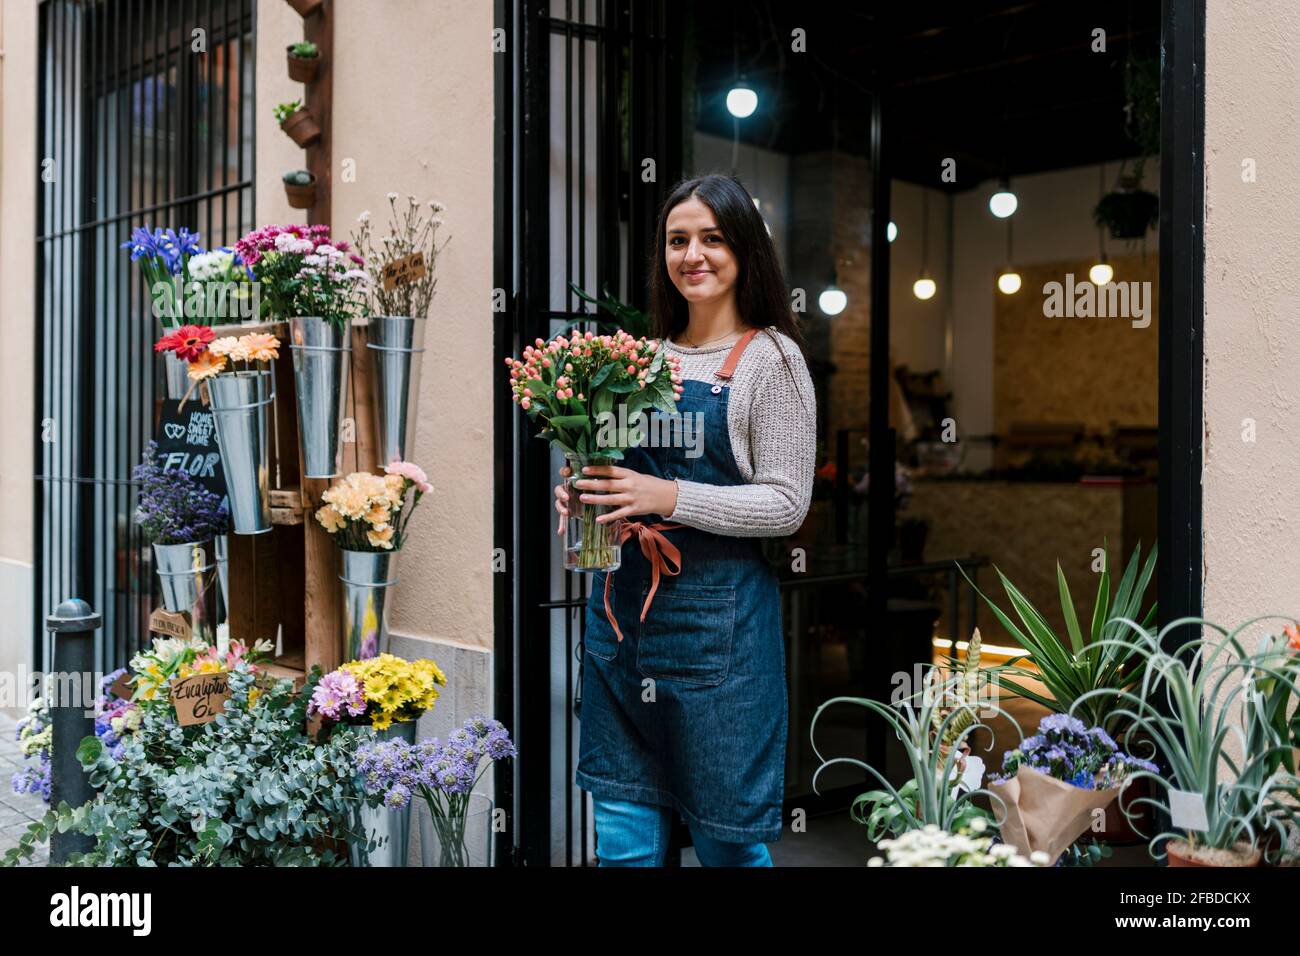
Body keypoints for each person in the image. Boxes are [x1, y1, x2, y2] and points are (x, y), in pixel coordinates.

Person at [554, 173, 817, 866]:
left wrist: (663, 497)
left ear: (744, 251)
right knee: (623, 840)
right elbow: (619, 476)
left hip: (719, 639)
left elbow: (787, 505)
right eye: (677, 240)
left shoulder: (772, 360)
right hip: (623, 629)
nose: (691, 255)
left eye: (712, 238)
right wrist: (590, 496)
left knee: (726, 843)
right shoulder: (641, 359)